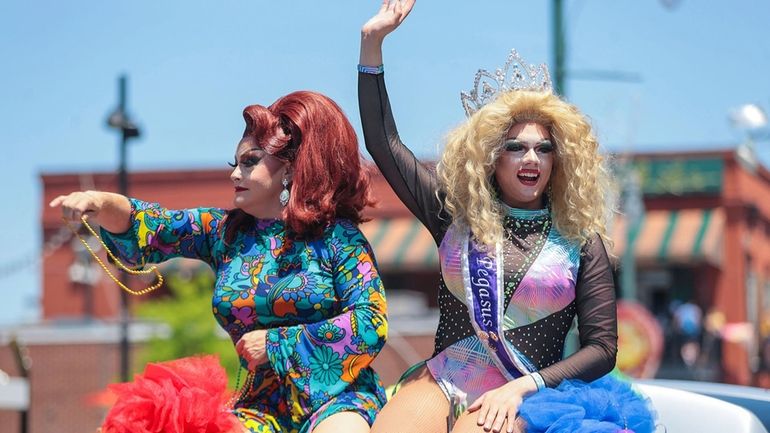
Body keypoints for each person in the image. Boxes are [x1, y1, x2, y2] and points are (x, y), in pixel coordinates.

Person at [357, 2, 654, 433]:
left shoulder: (581, 241)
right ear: (491, 157)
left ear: (559, 160)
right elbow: (383, 142)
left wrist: (525, 387)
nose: (531, 157)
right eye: (515, 146)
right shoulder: (453, 218)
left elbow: (603, 349)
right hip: (445, 378)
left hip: (528, 390)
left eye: (543, 148)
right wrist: (372, 42)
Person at [51, 91, 389, 433]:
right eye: (235, 164)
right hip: (259, 411)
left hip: (337, 400)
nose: (234, 175)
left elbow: (371, 322)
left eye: (249, 162)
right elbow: (154, 226)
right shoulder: (224, 232)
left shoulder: (339, 238)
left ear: (290, 167)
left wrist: (276, 344)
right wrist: (99, 201)